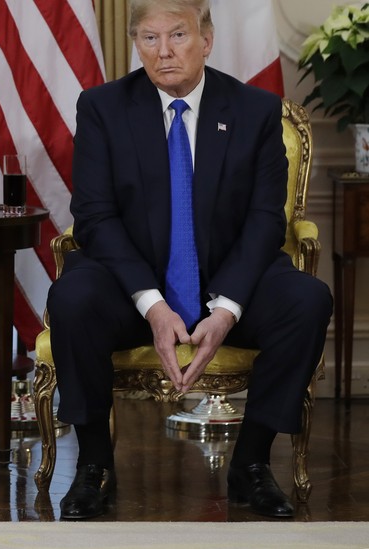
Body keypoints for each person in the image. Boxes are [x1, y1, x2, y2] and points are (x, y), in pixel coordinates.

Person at [47, 0, 332, 520]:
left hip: (227, 274)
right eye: (149, 39)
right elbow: (93, 217)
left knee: (307, 298)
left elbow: (267, 219)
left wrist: (226, 308)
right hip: (131, 282)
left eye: (177, 36)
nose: (164, 52)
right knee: (72, 296)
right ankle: (94, 464)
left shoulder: (255, 110)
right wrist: (153, 304)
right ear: (136, 44)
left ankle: (250, 464)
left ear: (207, 38)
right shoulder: (103, 107)